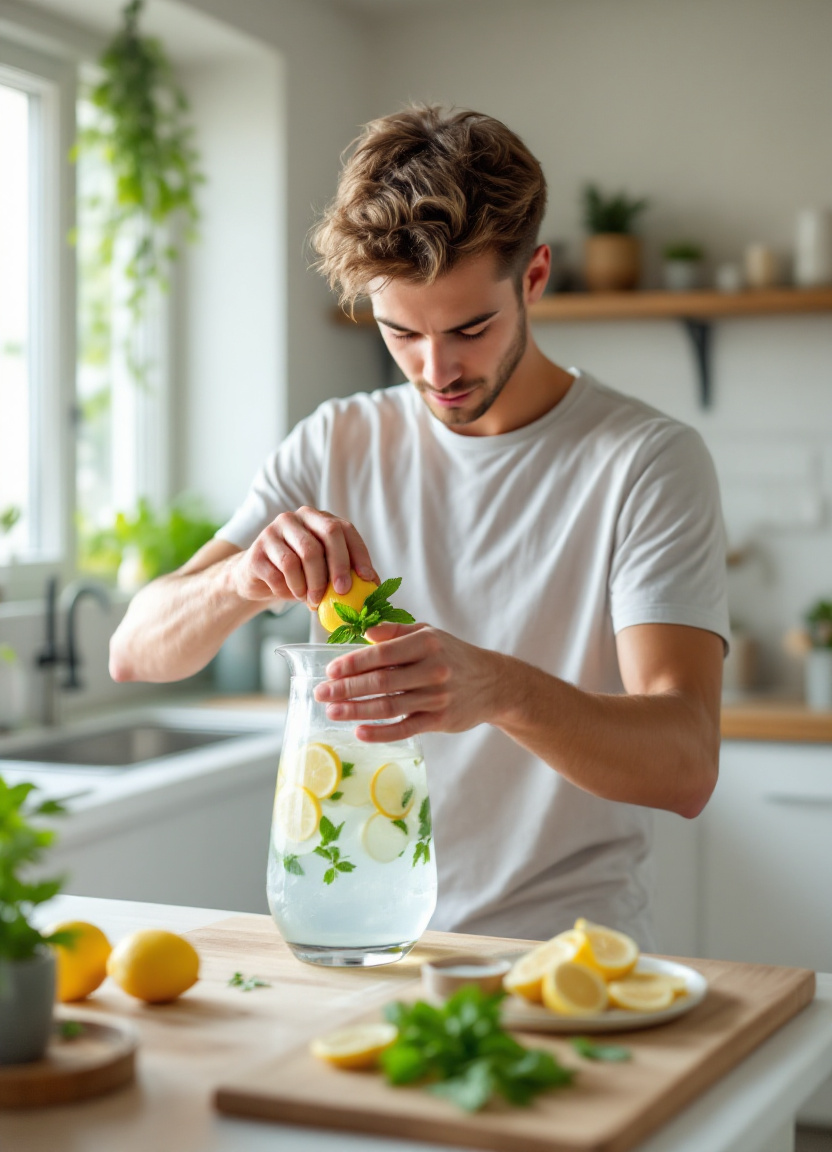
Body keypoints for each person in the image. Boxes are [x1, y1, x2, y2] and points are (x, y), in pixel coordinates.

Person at [110, 105, 729, 948]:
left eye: (471, 328)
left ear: (535, 276)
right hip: (357, 938)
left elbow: (687, 761)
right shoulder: (336, 441)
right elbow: (136, 650)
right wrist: (241, 576)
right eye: (401, 331)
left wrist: (500, 689)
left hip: (561, 956)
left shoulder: (645, 461)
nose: (436, 370)